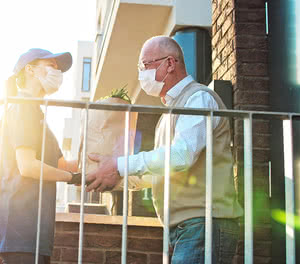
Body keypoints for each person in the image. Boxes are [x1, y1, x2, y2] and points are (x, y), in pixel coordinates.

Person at [85, 36, 243, 264]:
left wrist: (119, 164)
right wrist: (116, 177)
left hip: (204, 223)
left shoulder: (198, 98)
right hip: (190, 227)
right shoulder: (173, 110)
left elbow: (181, 156)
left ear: (170, 63)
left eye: (145, 65)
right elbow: (164, 170)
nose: (141, 74)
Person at [0, 48, 81, 264]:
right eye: (51, 66)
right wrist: (73, 178)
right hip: (19, 224)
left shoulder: (35, 113)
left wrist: (97, 162)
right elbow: (27, 166)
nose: (57, 73)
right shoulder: (23, 107)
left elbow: (60, 164)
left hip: (31, 227)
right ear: (30, 70)